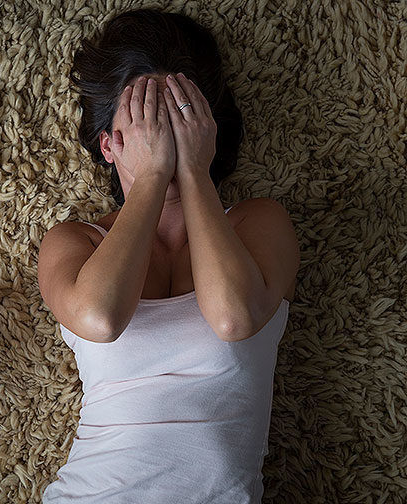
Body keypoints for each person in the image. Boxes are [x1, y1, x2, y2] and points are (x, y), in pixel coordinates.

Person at [39, 9, 299, 503]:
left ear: (208, 128)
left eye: (179, 114)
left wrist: (195, 173)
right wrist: (152, 179)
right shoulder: (74, 241)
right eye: (145, 121)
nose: (164, 134)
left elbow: (234, 316)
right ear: (108, 146)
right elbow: (100, 317)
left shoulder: (258, 223)